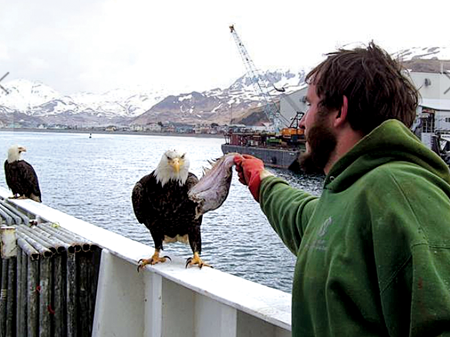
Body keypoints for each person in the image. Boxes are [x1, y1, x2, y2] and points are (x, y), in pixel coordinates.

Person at [234, 42, 450, 336]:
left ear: (340, 111)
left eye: (309, 105)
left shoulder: (401, 191)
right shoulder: (355, 195)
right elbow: (308, 220)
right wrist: (262, 182)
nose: (305, 121)